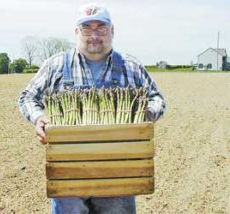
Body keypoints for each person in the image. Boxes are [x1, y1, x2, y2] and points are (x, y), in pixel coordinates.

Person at [18, 3, 166, 214]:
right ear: (77, 32)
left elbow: (157, 98)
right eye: (87, 29)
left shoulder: (130, 66)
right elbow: (27, 97)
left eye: (101, 28)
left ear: (112, 31)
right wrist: (39, 117)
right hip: (68, 172)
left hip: (119, 174)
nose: (94, 35)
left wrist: (147, 113)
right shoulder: (56, 65)